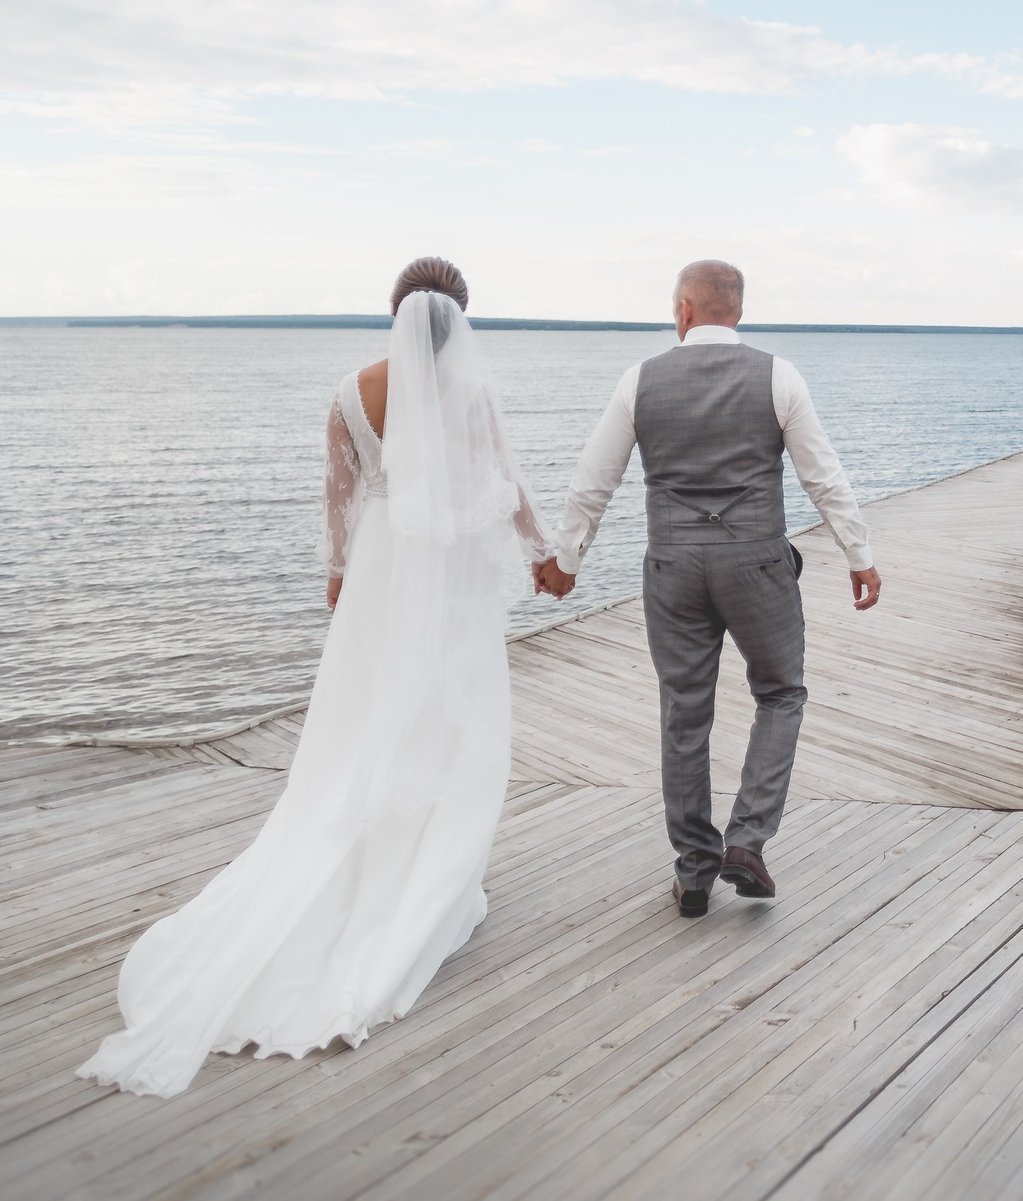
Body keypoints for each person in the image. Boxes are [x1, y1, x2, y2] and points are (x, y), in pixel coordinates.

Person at [78, 257, 553, 1097]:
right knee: (452, 718)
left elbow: (338, 495)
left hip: (379, 568)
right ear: (460, 320)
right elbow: (503, 481)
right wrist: (546, 553)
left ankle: (382, 854)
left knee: (365, 716)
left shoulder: (349, 393)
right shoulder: (469, 392)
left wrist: (338, 574)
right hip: (446, 577)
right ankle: (436, 877)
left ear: (394, 312)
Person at [535, 259, 880, 917]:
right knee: (781, 692)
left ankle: (694, 872)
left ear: (683, 310)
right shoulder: (778, 376)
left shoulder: (640, 380)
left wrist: (568, 559)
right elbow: (823, 475)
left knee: (684, 711)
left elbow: (594, 477)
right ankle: (746, 841)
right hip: (757, 564)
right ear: (738, 312)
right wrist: (857, 554)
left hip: (673, 567)